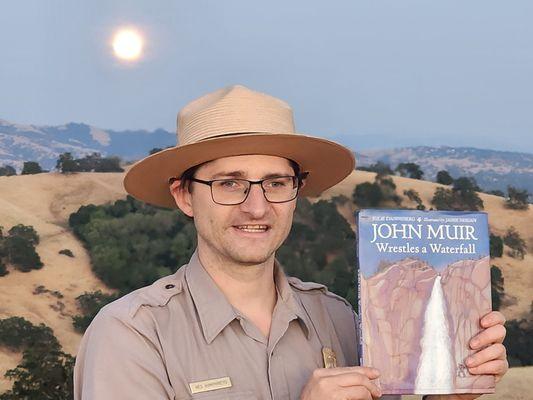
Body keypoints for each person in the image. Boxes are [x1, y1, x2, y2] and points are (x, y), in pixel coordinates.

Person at [73, 85, 508, 400]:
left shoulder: (340, 318)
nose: (257, 208)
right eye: (229, 183)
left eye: (277, 183)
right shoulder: (132, 334)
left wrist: (450, 393)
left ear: (297, 190)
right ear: (184, 195)